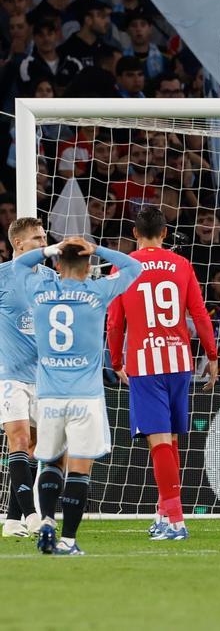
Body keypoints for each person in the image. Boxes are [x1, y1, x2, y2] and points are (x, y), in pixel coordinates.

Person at [14, 236, 142, 555]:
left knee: (51, 462)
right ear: (88, 268)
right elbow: (133, 266)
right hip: (85, 396)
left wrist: (47, 249)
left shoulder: (40, 292)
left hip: (49, 395)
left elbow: (19, 264)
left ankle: (45, 522)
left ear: (57, 265)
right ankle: (68, 540)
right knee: (79, 468)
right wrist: (97, 249)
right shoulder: (97, 292)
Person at [106, 206, 218, 541]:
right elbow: (199, 313)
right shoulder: (181, 264)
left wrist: (115, 362)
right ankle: (162, 513)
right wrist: (212, 356)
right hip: (179, 361)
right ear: (165, 233)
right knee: (169, 441)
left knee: (158, 443)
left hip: (145, 362)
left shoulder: (123, 266)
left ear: (134, 233)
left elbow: (115, 321)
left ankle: (177, 521)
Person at [0, 218, 56, 538]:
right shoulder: (2, 277)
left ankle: (11, 520)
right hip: (9, 375)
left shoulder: (50, 278)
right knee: (18, 440)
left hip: (43, 376)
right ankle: (33, 515)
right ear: (19, 244)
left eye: (44, 236)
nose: (43, 242)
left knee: (34, 447)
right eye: (37, 238)